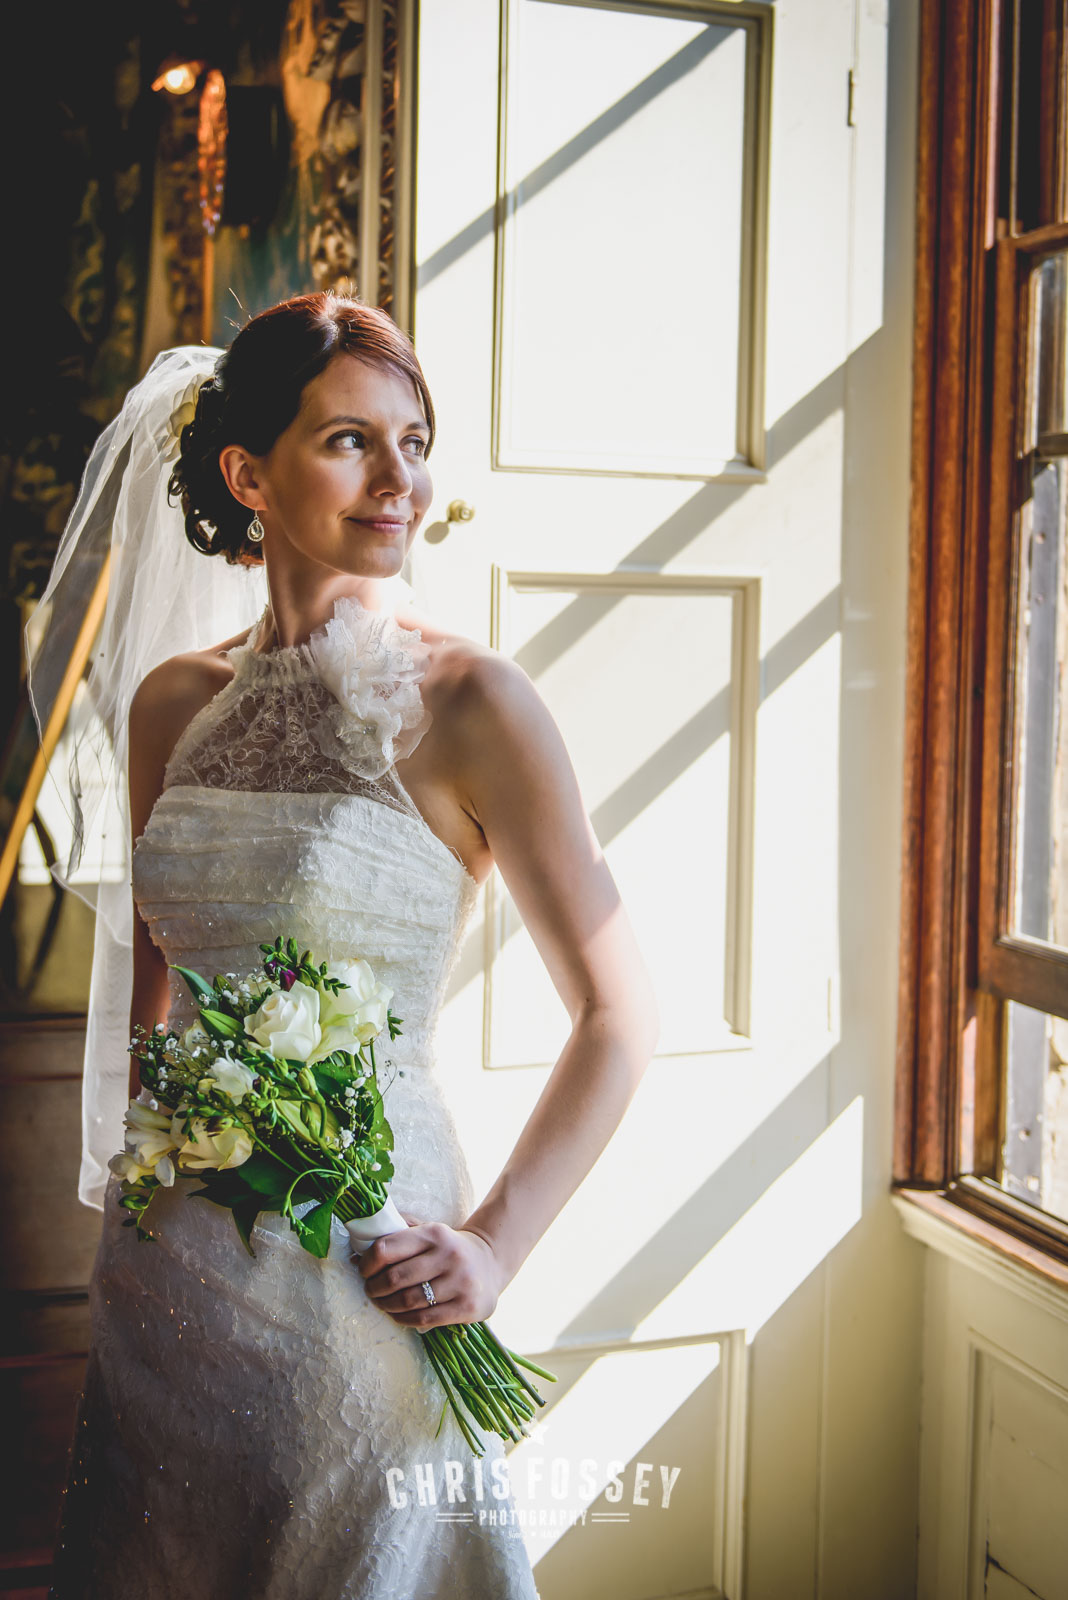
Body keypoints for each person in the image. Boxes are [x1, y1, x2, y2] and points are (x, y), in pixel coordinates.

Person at [31, 291, 658, 1599]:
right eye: (352, 442)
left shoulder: (475, 704)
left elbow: (617, 1015)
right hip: (174, 1272)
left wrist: (493, 1244)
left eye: (415, 441)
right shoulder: (173, 703)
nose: (401, 481)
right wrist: (163, 1144)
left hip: (366, 1267)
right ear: (247, 474)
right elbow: (159, 970)